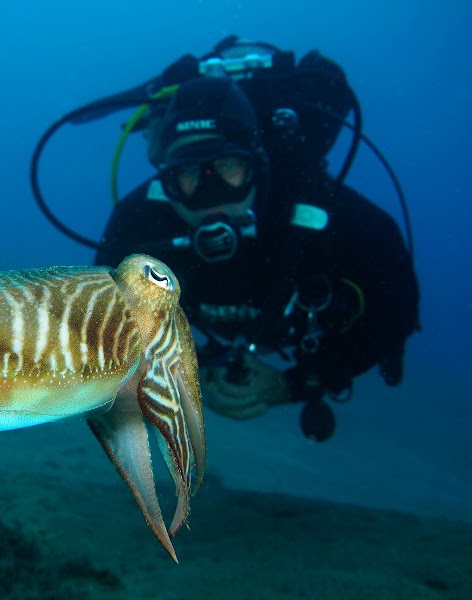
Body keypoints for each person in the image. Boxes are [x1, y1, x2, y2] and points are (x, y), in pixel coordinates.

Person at [93, 42, 420, 440]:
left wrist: (298, 384)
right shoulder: (140, 222)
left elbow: (396, 311)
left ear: (258, 167)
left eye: (228, 166)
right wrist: (178, 373)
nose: (210, 193)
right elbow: (103, 320)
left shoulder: (331, 217)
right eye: (189, 174)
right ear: (167, 183)